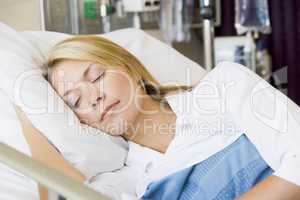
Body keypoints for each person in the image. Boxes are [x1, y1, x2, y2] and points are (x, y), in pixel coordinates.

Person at [45, 35, 300, 199]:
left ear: (129, 68)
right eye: (75, 101)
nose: (93, 97)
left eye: (97, 76)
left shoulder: (224, 88)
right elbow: (58, 191)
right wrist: (26, 120)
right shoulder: (128, 184)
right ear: (84, 121)